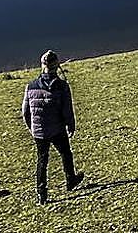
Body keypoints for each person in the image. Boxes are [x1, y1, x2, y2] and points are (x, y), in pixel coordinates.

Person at [21, 50, 85, 204]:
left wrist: (32, 128)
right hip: (57, 130)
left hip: (39, 132)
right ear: (56, 65)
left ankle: (41, 193)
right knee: (65, 153)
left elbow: (25, 111)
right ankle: (71, 180)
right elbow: (67, 110)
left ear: (42, 65)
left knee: (42, 160)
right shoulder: (62, 86)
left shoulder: (30, 86)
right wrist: (71, 125)